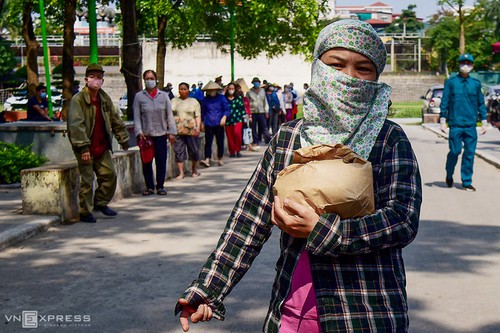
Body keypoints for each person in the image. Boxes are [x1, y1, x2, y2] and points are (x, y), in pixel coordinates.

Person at [175, 19, 422, 333]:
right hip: (292, 312)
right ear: (318, 68)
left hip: (365, 312)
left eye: (363, 68)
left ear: (376, 77)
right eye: (336, 64)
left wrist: (325, 230)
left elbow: (402, 220)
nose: (349, 77)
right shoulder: (289, 137)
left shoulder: (388, 139)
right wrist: (206, 289)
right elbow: (248, 221)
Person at [67, 63, 130, 223]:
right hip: (86, 147)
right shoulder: (78, 100)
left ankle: (100, 203)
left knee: (109, 175)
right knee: (87, 180)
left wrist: (123, 139)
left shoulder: (104, 98)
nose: (96, 80)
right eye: (93, 76)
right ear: (86, 79)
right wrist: (83, 147)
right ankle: (85, 211)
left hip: (101, 146)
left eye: (99, 77)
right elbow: (76, 125)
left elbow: (115, 119)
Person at [440, 53, 488, 192]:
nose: (465, 65)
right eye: (463, 63)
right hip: (455, 125)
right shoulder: (451, 82)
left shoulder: (476, 84)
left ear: (472, 65)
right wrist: (443, 120)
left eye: (468, 63)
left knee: (469, 154)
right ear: (459, 64)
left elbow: (480, 103)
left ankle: (466, 181)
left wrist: (484, 121)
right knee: (454, 151)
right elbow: (445, 102)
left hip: (470, 126)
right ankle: (449, 173)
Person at [133, 70, 177, 196]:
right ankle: (149, 187)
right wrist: (139, 131)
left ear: (156, 80)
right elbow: (136, 116)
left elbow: (169, 115)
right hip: (145, 135)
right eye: (147, 78)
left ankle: (160, 186)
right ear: (144, 80)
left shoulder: (163, 96)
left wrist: (171, 132)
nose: (149, 80)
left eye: (151, 78)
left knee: (161, 161)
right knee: (146, 162)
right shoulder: (139, 97)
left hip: (161, 134)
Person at [171, 82, 202, 179]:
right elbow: (169, 116)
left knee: (194, 150)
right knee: (179, 151)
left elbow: (197, 115)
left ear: (188, 90)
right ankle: (181, 172)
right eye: (181, 89)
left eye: (185, 89)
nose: (182, 91)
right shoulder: (174, 101)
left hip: (191, 130)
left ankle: (194, 170)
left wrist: (198, 127)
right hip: (178, 130)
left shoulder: (194, 101)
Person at [200, 80, 230, 167]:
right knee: (208, 142)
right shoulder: (205, 100)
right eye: (209, 90)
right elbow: (203, 112)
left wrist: (224, 117)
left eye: (213, 90)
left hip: (219, 122)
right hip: (209, 123)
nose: (211, 92)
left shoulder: (221, 98)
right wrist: (202, 122)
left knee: (220, 141)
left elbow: (226, 109)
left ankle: (220, 158)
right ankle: (207, 159)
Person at [246, 77, 271, 150]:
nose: (256, 84)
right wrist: (248, 113)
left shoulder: (262, 91)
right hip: (253, 112)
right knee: (253, 128)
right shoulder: (249, 92)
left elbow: (265, 102)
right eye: (255, 82)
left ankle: (268, 140)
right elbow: (247, 103)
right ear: (253, 83)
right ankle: (255, 141)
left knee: (264, 127)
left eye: (257, 82)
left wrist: (266, 111)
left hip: (261, 111)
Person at [224, 82, 246, 158]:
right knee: (230, 136)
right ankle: (232, 151)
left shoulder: (238, 98)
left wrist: (245, 118)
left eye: (232, 89)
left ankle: (238, 150)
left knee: (237, 134)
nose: (231, 90)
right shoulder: (224, 99)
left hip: (237, 119)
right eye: (229, 89)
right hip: (228, 120)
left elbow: (242, 109)